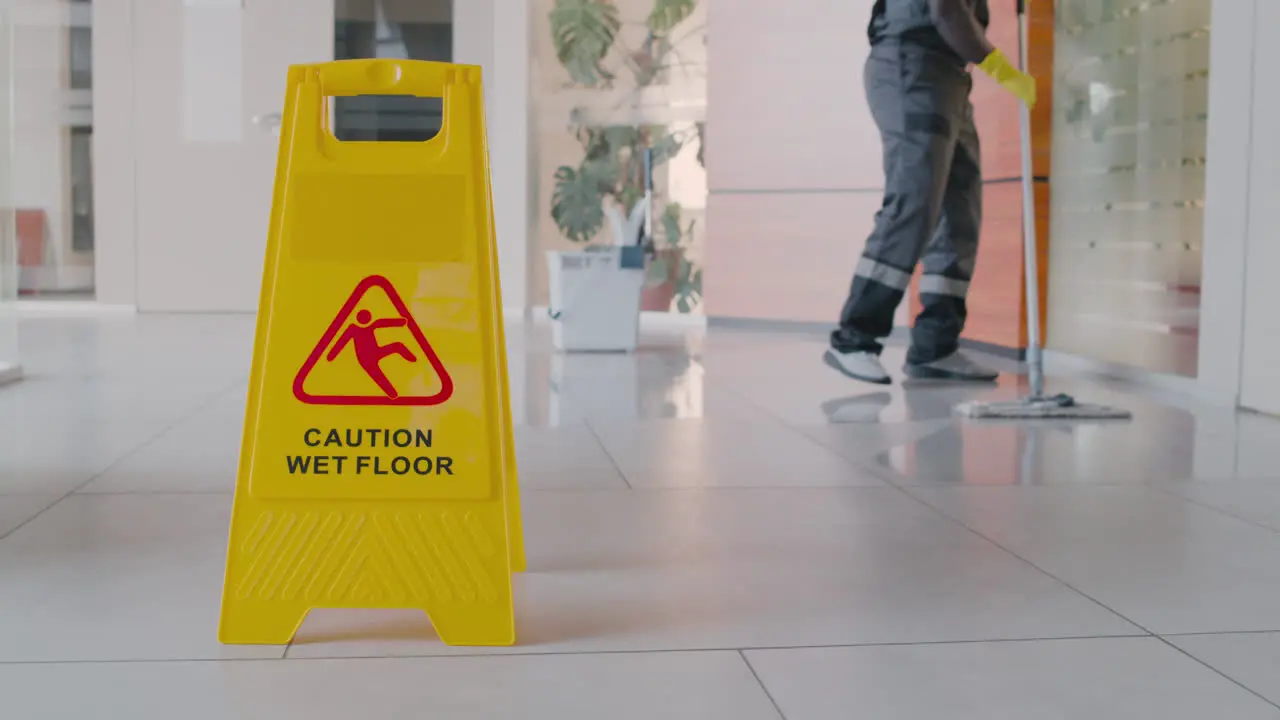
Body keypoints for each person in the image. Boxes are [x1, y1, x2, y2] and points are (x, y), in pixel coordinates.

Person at [824, 0, 1036, 385]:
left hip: (948, 76)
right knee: (915, 200)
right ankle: (854, 339)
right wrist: (1001, 69)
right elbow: (946, 11)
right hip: (912, 66)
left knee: (960, 211)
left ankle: (936, 347)